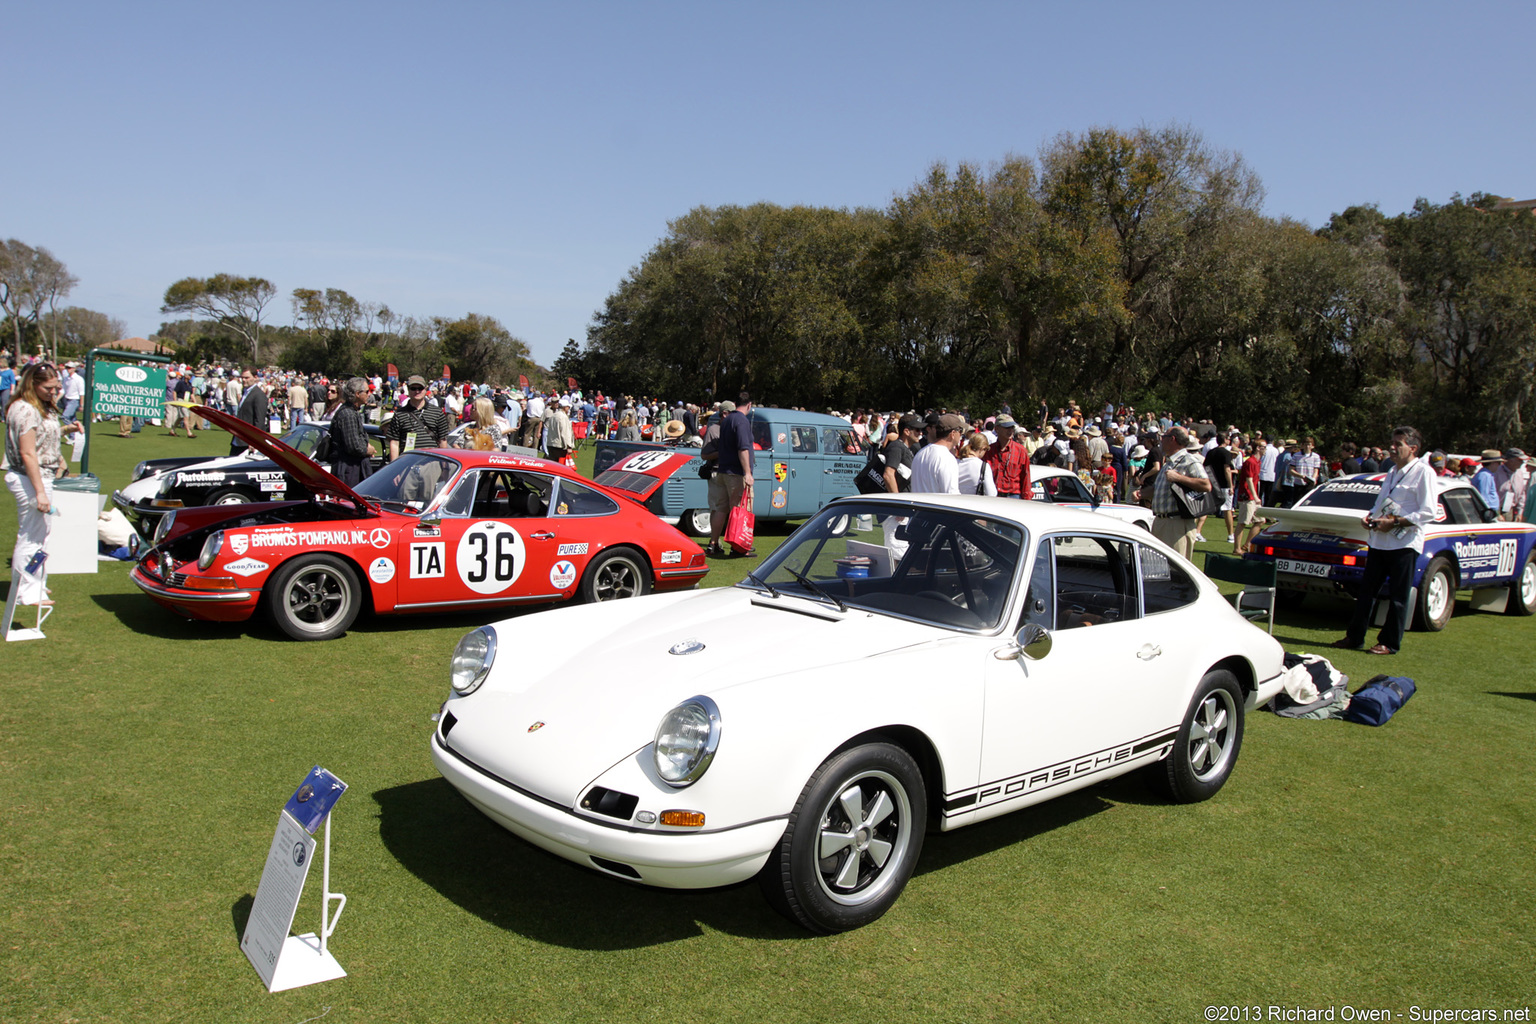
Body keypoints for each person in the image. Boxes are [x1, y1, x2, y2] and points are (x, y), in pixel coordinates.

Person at [1335, 426, 1437, 655]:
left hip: (1405, 543)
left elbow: (1428, 511)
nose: (1392, 447)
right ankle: (1355, 636)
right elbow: (1381, 502)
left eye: (1398, 444)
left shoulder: (1424, 472)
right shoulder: (1391, 471)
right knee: (1366, 592)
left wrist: (1397, 522)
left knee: (1398, 596)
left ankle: (1389, 642)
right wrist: (1370, 516)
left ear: (1413, 448)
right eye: (1392, 442)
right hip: (1379, 540)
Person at [6, 363, 83, 606]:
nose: (54, 392)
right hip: (30, 476)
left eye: (57, 387)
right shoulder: (25, 409)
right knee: (31, 535)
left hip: (44, 475)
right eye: (48, 387)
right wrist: (40, 493)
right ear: (33, 384)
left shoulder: (39, 407)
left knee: (43, 534)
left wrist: (65, 429)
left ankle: (36, 581)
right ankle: (24, 590)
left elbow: (41, 437)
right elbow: (28, 453)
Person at [1150, 426, 1211, 559]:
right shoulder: (1169, 462)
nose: (1161, 440)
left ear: (1172, 439)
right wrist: (1142, 494)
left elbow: (1206, 485)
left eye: (1163, 437)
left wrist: (1178, 478)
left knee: (1175, 571)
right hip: (1161, 521)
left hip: (1176, 524)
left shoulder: (1188, 460)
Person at [706, 392, 755, 558]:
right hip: (735, 472)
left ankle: (713, 544)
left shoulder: (726, 421)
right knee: (740, 508)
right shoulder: (742, 421)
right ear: (749, 405)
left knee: (720, 508)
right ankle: (737, 546)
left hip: (722, 471)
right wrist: (747, 473)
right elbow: (743, 448)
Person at [385, 375, 450, 462]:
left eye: (420, 388)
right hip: (406, 464)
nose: (417, 391)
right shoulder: (399, 414)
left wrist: (445, 468)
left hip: (431, 463)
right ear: (408, 389)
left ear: (426, 389)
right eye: (413, 388)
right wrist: (394, 469)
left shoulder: (437, 412)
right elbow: (394, 443)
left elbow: (443, 441)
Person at [329, 377, 377, 488]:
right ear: (357, 394)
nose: (369, 394)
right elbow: (353, 446)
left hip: (352, 467)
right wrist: (367, 449)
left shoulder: (352, 412)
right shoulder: (348, 414)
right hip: (348, 470)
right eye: (366, 391)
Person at [911, 414, 964, 494]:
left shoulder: (920, 454)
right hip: (935, 506)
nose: (961, 435)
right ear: (953, 434)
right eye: (960, 431)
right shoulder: (947, 459)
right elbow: (951, 495)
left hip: (918, 505)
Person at [984, 415, 1030, 499]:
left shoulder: (1021, 451)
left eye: (1012, 427)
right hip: (993, 496)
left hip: (1013, 496)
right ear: (997, 429)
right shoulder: (989, 450)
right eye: (1007, 427)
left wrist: (1026, 499)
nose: (1010, 430)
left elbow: (1026, 477)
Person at [229, 368, 269, 455]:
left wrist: (255, 441)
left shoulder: (259, 395)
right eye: (242, 378)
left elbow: (259, 420)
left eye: (247, 378)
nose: (243, 380)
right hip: (238, 439)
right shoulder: (245, 392)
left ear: (255, 377)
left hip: (248, 443)